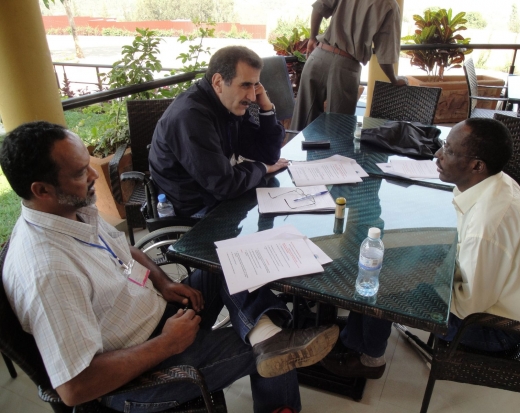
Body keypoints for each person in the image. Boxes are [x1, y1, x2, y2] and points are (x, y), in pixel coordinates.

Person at [0, 121, 339, 413]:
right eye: (79, 173)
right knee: (266, 347)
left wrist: (161, 281)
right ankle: (272, 358)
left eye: (88, 164)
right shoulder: (48, 271)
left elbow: (125, 249)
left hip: (160, 316)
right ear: (41, 190)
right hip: (136, 378)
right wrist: (167, 343)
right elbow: (75, 387)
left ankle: (267, 336)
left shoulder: (69, 211)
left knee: (229, 261)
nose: (93, 175)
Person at [321, 118, 520, 378]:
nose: (438, 155)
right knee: (386, 267)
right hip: (506, 301)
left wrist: (425, 276)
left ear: (477, 165)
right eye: (443, 145)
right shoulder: (497, 183)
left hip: (500, 329)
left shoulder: (487, 227)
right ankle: (353, 340)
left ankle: (369, 360)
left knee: (380, 284)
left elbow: (468, 306)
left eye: (450, 151)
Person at [149, 45, 289, 218]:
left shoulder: (228, 104)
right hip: (193, 210)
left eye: (255, 86)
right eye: (245, 85)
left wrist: (266, 108)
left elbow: (268, 155)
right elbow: (224, 185)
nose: (252, 97)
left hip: (216, 196)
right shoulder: (190, 117)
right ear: (218, 82)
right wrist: (261, 168)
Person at [290, 0, 408, 131]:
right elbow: (385, 56)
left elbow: (319, 7)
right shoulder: (389, 5)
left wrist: (312, 38)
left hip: (318, 56)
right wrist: (394, 79)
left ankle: (292, 152)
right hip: (345, 66)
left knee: (300, 125)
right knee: (337, 131)